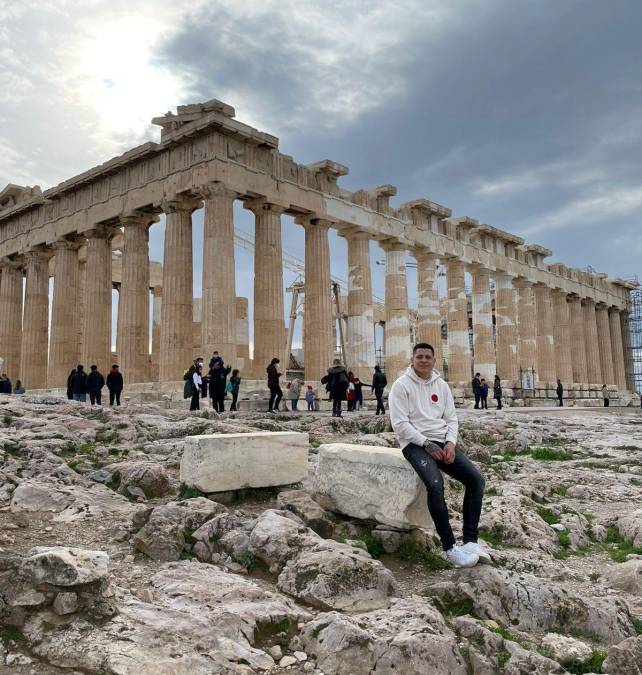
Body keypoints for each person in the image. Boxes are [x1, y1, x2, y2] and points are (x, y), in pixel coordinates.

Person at [389, 342, 487, 568]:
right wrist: (426, 444)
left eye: (427, 357)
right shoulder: (401, 386)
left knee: (476, 481)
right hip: (414, 443)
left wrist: (451, 443)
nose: (423, 360)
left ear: (434, 360)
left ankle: (471, 541)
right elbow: (400, 424)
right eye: (419, 357)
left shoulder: (441, 385)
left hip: (442, 441)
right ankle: (450, 547)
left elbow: (451, 418)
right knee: (435, 484)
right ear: (412, 359)